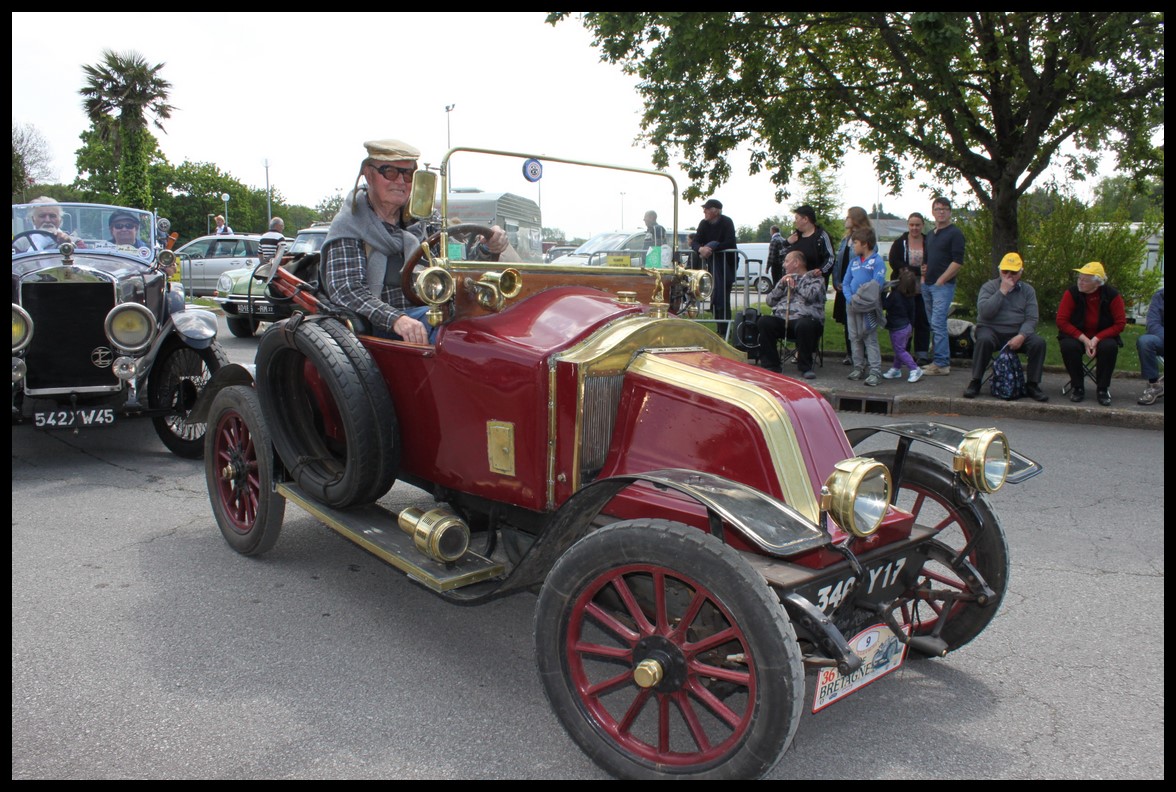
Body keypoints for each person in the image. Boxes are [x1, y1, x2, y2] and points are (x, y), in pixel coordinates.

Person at [321, 138, 511, 345]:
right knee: (457, 333)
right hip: (381, 326)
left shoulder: (426, 220)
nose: (401, 182)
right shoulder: (350, 224)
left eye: (409, 174)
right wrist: (396, 319)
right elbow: (346, 290)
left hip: (433, 311)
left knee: (499, 316)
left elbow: (457, 265)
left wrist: (486, 247)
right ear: (368, 174)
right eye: (390, 172)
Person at [962, 252, 1049, 402]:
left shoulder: (1028, 291)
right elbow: (985, 313)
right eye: (1005, 271)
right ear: (999, 270)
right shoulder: (989, 287)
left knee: (1038, 343)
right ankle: (975, 381)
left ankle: (1033, 384)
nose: (1009, 275)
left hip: (1017, 331)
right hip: (991, 329)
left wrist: (1021, 335)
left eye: (1013, 272)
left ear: (1021, 272)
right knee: (984, 340)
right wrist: (1002, 291)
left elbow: (1032, 318)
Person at [1056, 261, 1126, 406]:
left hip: (1103, 336)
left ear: (1097, 283)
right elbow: (1062, 321)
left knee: (1109, 347)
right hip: (1077, 336)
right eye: (1079, 278)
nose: (1080, 282)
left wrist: (1096, 339)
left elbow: (1120, 324)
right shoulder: (1072, 293)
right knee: (1068, 346)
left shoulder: (1112, 295)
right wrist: (1085, 339)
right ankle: (1077, 387)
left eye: (1085, 280)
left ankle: (1102, 388)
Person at [756, 250, 825, 379]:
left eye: (787, 261)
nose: (783, 264)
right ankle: (771, 365)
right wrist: (781, 285)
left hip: (806, 321)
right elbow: (770, 301)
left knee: (805, 324)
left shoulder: (816, 279)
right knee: (764, 321)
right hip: (784, 320)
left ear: (796, 263)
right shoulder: (784, 280)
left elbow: (810, 296)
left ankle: (805, 367)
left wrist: (796, 283)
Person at [921, 196, 964, 376]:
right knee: (933, 324)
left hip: (942, 286)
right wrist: (924, 276)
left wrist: (942, 279)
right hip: (927, 284)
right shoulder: (931, 235)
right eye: (938, 209)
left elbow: (957, 262)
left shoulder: (955, 234)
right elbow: (928, 259)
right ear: (932, 212)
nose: (941, 212)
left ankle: (942, 363)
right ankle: (937, 360)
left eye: (945, 209)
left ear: (950, 212)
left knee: (938, 323)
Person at [831, 207, 874, 365]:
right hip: (844, 286)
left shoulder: (866, 239)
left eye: (848, 216)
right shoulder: (846, 239)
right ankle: (852, 354)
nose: (846, 219)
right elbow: (838, 262)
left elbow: (869, 263)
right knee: (847, 322)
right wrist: (836, 281)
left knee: (861, 322)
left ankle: (865, 355)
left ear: (856, 218)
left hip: (859, 288)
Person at [887, 212, 931, 365]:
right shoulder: (900, 242)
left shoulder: (928, 241)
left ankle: (922, 353)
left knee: (922, 320)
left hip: (924, 287)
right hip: (905, 288)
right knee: (906, 321)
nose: (914, 228)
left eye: (917, 225)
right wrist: (917, 270)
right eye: (912, 225)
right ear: (908, 225)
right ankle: (904, 352)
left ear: (922, 225)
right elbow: (894, 262)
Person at [844, 227, 886, 386]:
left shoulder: (877, 261)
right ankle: (858, 367)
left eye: (855, 242)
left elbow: (877, 284)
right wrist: (850, 298)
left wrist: (863, 297)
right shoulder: (853, 262)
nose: (853, 246)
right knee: (854, 336)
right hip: (852, 305)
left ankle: (875, 371)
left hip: (868, 307)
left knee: (869, 337)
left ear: (865, 244)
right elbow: (846, 282)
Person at [692, 198, 738, 337]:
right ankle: (719, 328)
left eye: (706, 209)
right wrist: (701, 249)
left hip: (726, 265)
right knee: (715, 294)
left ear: (715, 211)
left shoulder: (727, 221)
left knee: (724, 295)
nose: (704, 211)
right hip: (712, 265)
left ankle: (724, 330)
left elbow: (730, 242)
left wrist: (712, 246)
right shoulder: (703, 224)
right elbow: (695, 242)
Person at [881, 268, 924, 383]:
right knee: (899, 348)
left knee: (899, 350)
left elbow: (884, 305)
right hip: (907, 326)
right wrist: (911, 326)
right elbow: (912, 312)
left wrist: (883, 293)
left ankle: (915, 368)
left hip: (897, 327)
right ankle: (896, 368)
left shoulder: (895, 295)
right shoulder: (911, 297)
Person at [17, 197, 82, 251]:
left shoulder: (76, 242)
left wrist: (68, 245)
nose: (47, 220)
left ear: (60, 220)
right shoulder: (20, 244)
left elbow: (84, 263)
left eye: (52, 216)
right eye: (42, 216)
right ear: (33, 220)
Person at [1136, 287, 1164, 406]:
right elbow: (1152, 324)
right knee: (1145, 341)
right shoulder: (1160, 296)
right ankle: (1154, 386)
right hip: (1162, 338)